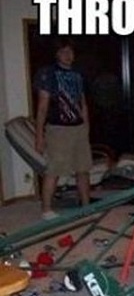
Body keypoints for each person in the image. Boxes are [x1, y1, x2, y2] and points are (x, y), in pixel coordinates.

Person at [34, 37, 92, 220]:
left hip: (78, 128)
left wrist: (86, 126)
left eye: (70, 51)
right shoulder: (48, 73)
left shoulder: (78, 74)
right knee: (54, 170)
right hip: (58, 130)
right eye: (63, 51)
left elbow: (82, 102)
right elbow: (42, 107)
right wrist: (39, 136)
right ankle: (46, 210)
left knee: (83, 169)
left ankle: (86, 207)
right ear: (56, 54)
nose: (68, 55)